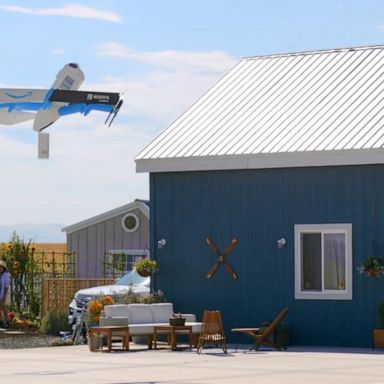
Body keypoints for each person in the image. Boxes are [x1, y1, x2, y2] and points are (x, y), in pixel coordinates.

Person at [0, 260, 10, 328]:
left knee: (3, 307)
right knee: (1, 308)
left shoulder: (6, 275)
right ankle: (1, 321)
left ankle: (7, 321)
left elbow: (6, 287)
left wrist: (4, 296)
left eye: (1, 267)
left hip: (3, 293)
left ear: (3, 268)